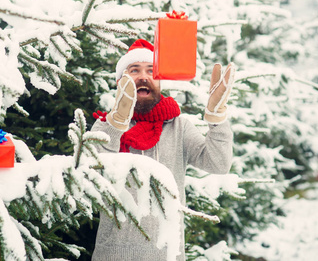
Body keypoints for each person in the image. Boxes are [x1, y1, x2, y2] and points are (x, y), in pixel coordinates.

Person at [90, 39, 235, 261]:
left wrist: (217, 118)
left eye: (151, 71)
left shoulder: (179, 127)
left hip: (167, 256)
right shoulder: (105, 126)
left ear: (159, 82)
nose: (143, 76)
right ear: (120, 82)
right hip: (113, 254)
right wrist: (116, 123)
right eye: (134, 70)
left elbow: (218, 163)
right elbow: (92, 173)